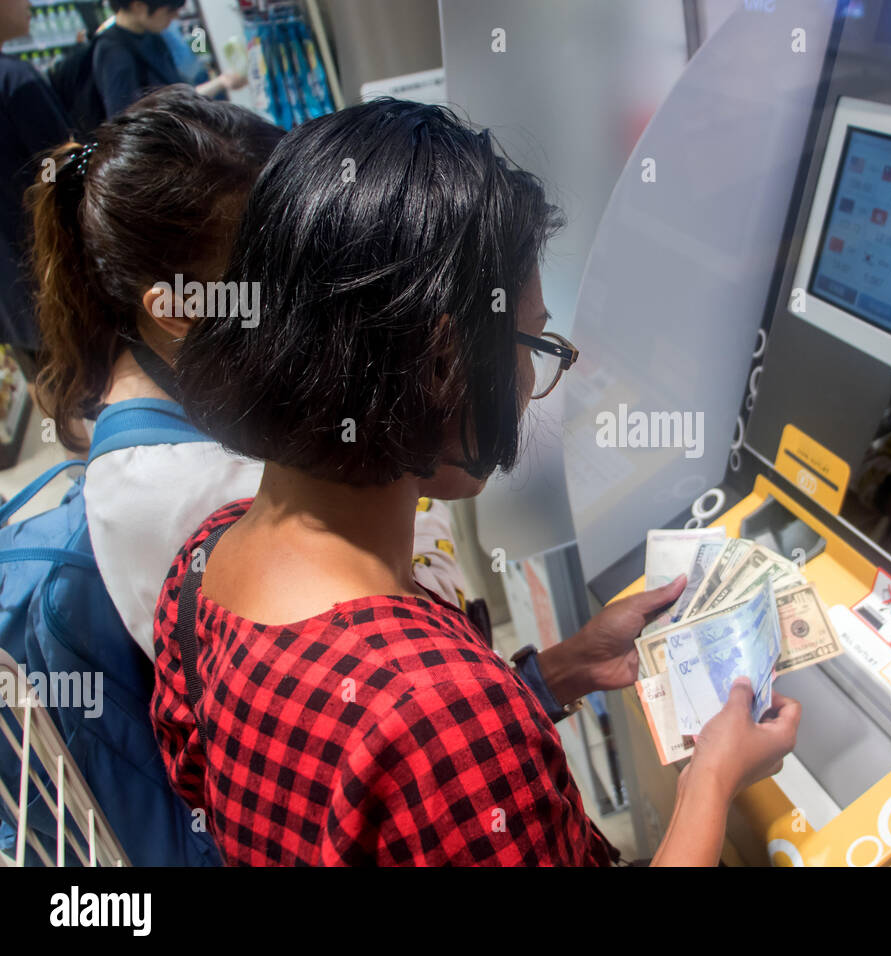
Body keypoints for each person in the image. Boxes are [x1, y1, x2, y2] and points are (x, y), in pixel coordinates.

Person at [159, 99, 801, 866]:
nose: (536, 376)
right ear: (442, 363)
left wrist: (558, 672)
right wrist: (712, 781)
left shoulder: (202, 568)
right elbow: (430, 741)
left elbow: (394, 809)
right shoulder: (438, 711)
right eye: (533, 340)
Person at [25, 86, 467, 659]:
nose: (326, 299)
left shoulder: (163, 381)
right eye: (285, 280)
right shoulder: (197, 489)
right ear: (179, 308)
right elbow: (410, 628)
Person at [0, 0, 69, 362]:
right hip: (50, 265)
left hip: (10, 293)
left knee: (46, 380)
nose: (27, 4)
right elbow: (61, 169)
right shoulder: (14, 79)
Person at [93, 0, 245, 120]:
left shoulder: (152, 35)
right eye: (170, 11)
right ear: (139, 6)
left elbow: (174, 94)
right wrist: (220, 83)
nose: (175, 17)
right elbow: (124, 120)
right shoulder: (114, 52)